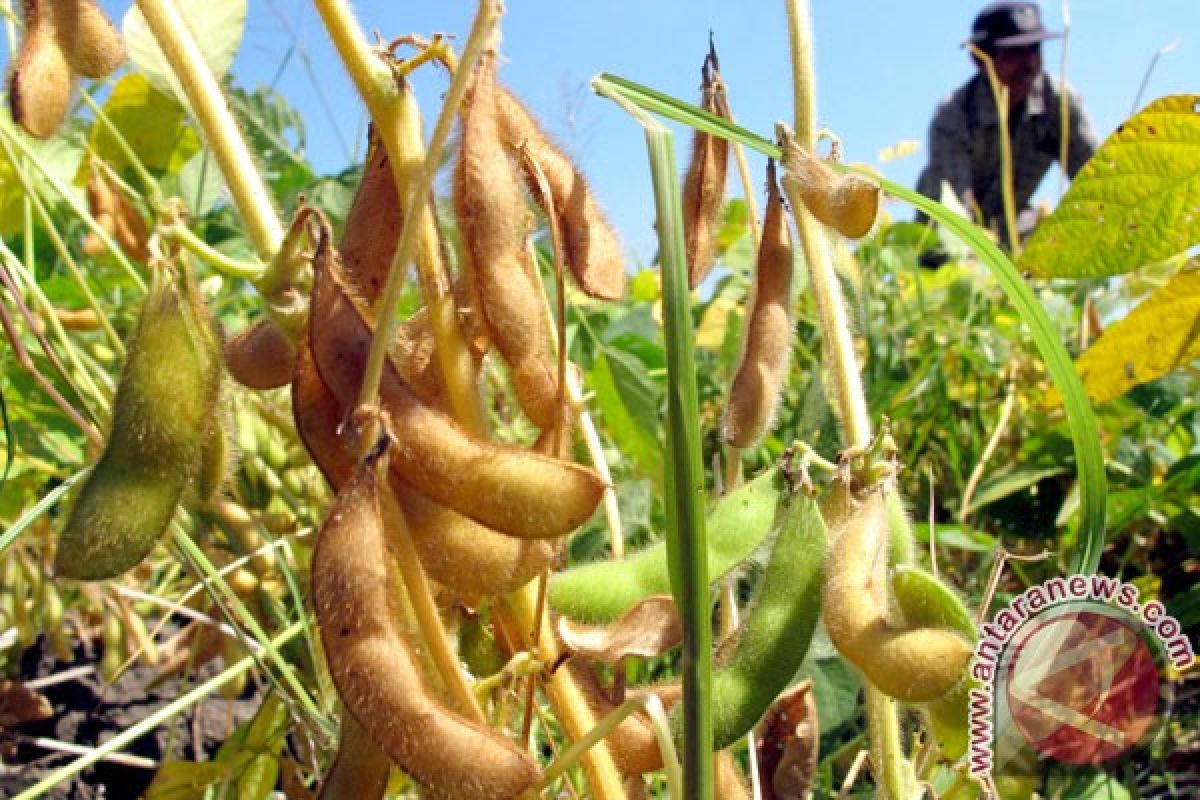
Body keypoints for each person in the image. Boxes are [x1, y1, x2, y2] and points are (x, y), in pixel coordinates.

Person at [915, 1, 1098, 250]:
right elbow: (957, 213)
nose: (1029, 63)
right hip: (945, 241)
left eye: (1034, 48)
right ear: (979, 59)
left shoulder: (1059, 104)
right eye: (1014, 53)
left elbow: (1097, 181)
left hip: (1011, 230)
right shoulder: (952, 117)